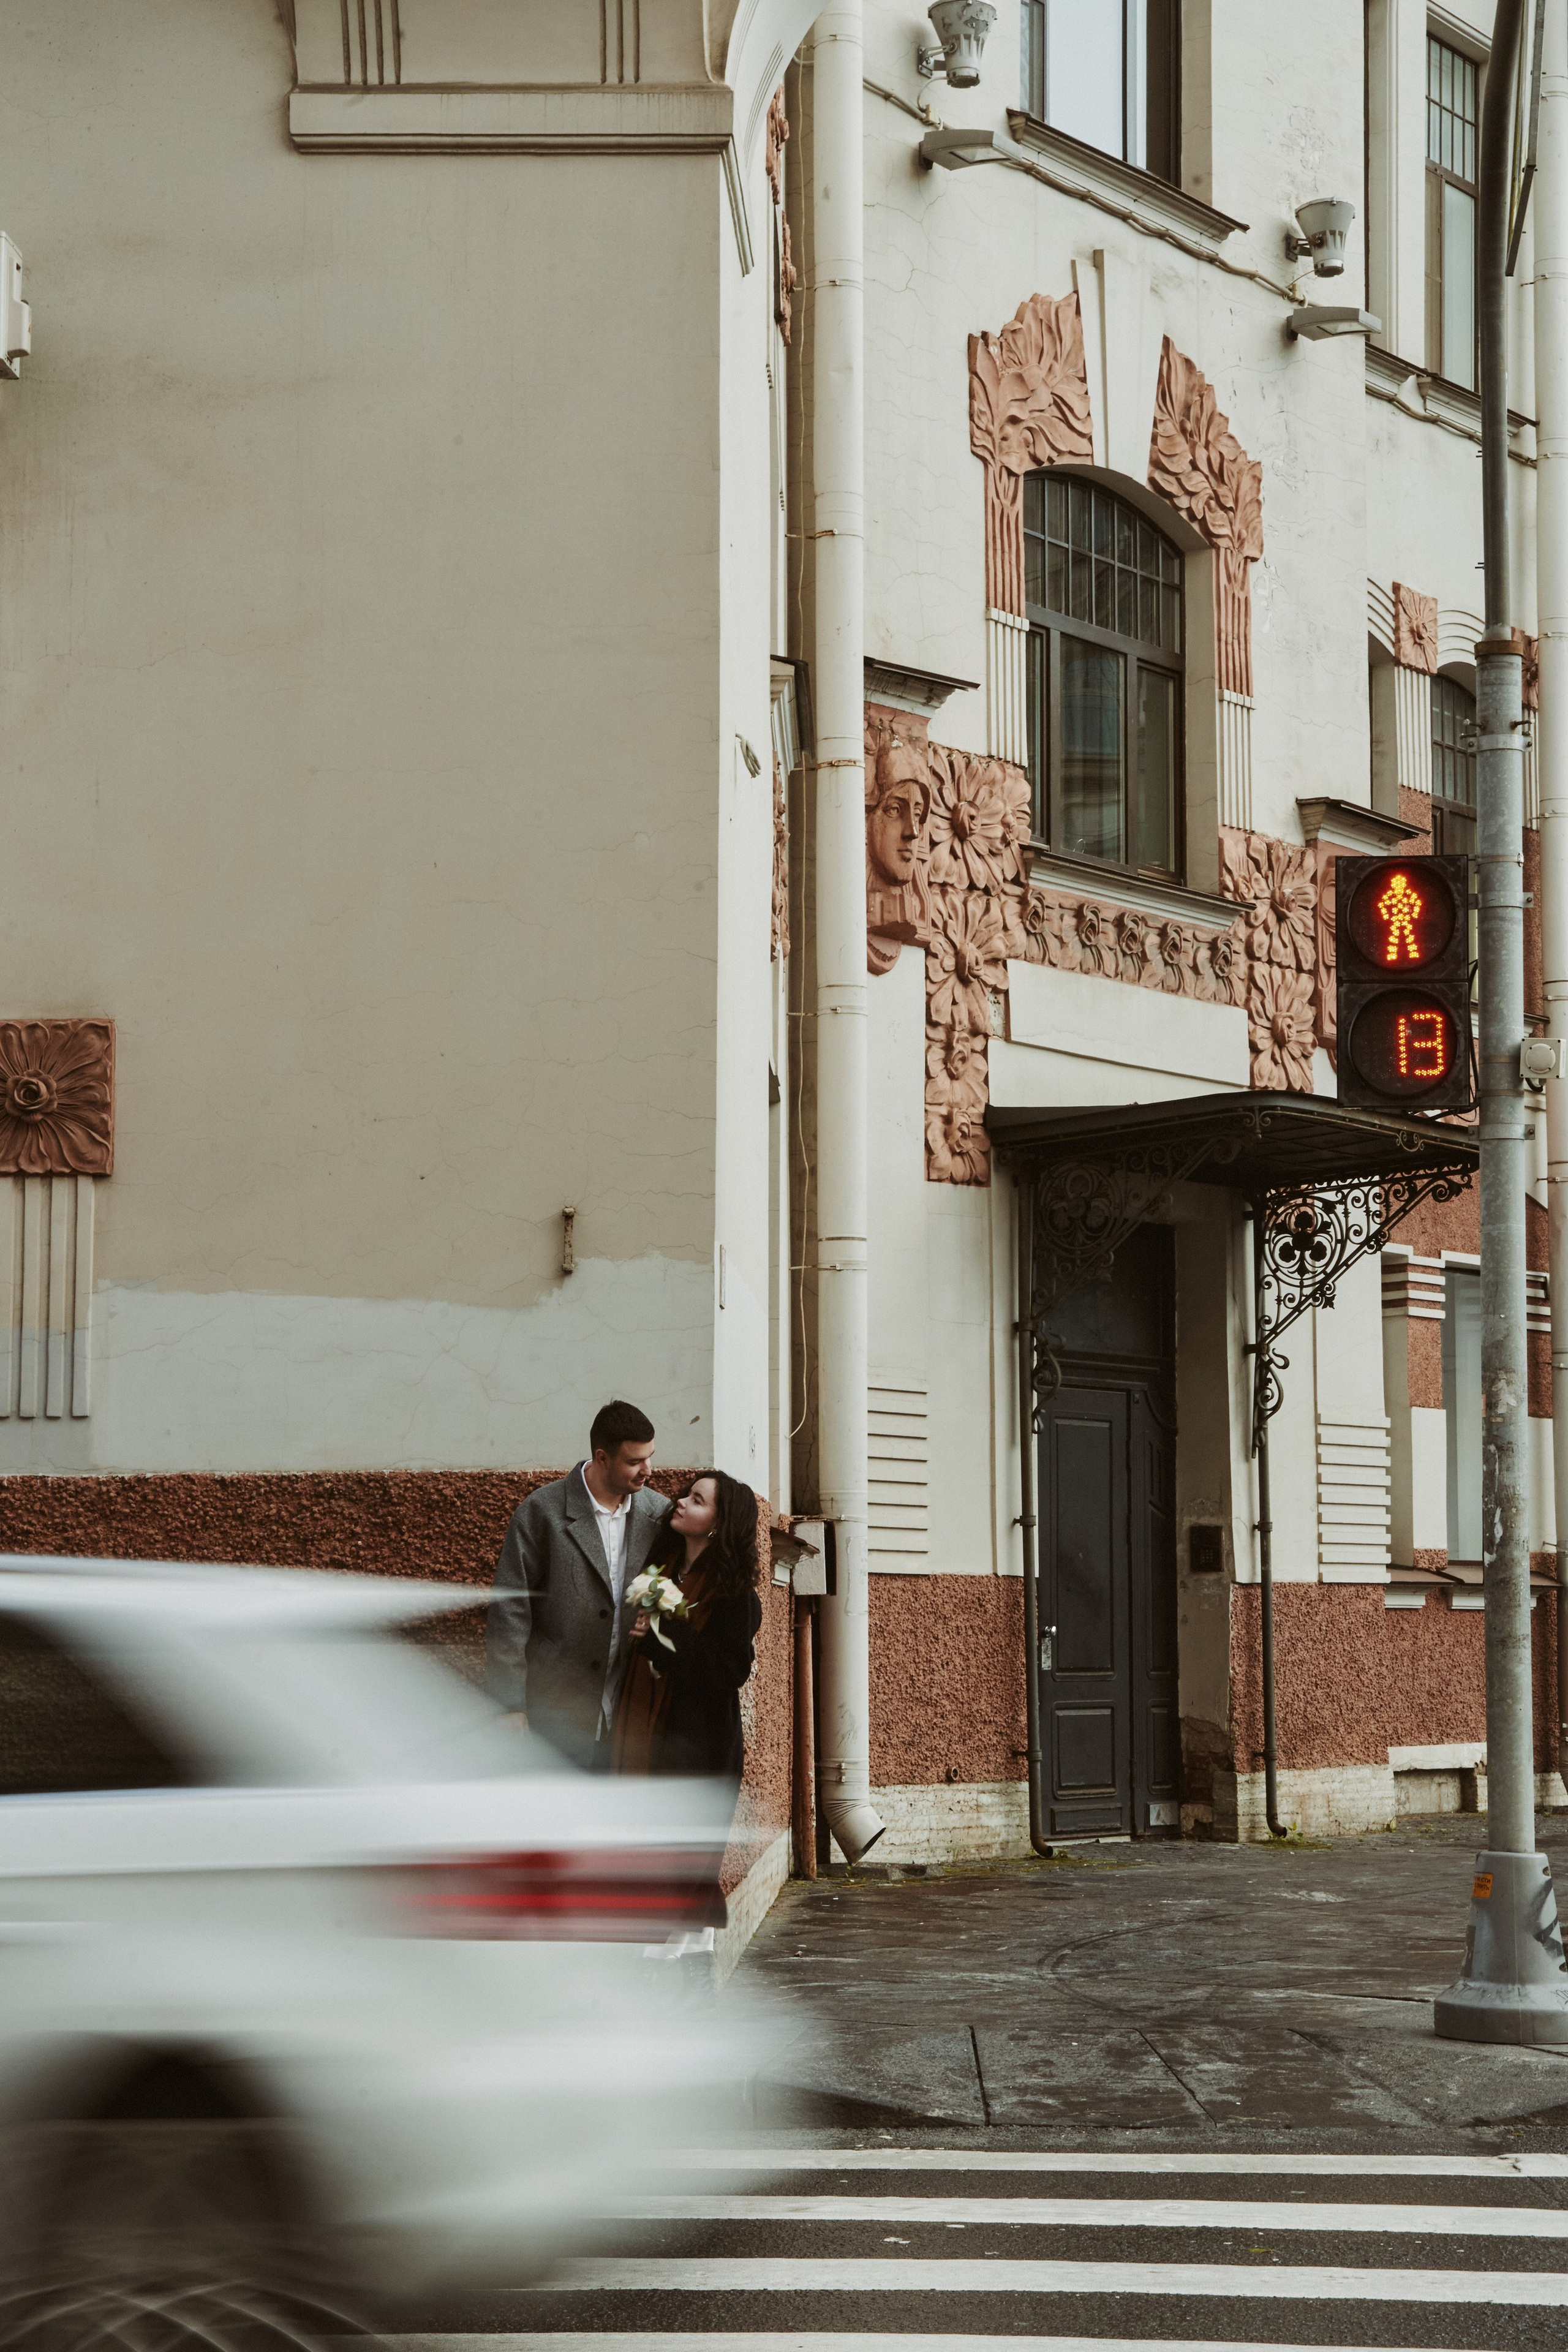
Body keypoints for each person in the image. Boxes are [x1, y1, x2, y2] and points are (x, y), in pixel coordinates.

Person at [486, 1400, 668, 1768]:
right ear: (602, 1458)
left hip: (629, 1713)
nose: (648, 1470)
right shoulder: (542, 1512)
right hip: (554, 1710)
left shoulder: (659, 1514)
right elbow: (510, 1611)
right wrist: (509, 1706)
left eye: (649, 1457)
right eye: (634, 1461)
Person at [612, 1468, 763, 1803]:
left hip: (696, 1753)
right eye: (687, 1494)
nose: (680, 1502)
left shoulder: (733, 1595)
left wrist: (663, 1637)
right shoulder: (662, 1570)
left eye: (697, 1500)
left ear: (718, 1525)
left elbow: (730, 1671)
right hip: (643, 1729)